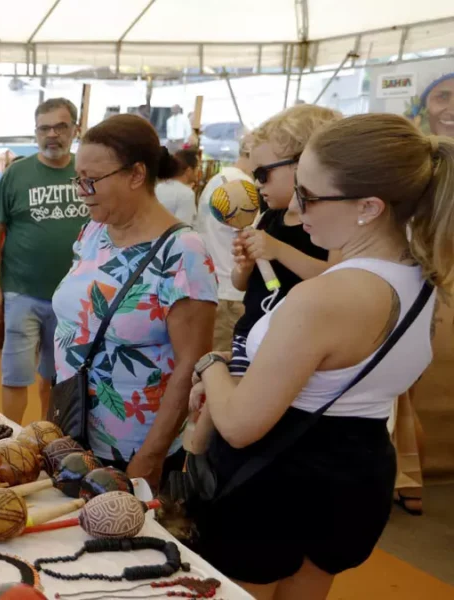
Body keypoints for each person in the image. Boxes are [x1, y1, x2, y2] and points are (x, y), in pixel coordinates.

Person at [190, 113, 451, 600]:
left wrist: (212, 367)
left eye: (308, 195)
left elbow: (241, 424)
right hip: (356, 471)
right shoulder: (421, 279)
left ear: (368, 207)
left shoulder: (326, 298)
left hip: (277, 484)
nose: (297, 206)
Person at [53, 114, 217, 486]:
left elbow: (191, 363)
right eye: (78, 179)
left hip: (132, 448)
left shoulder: (183, 253)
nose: (82, 190)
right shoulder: (94, 231)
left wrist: (151, 455)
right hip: (73, 427)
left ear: (136, 175)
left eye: (91, 180)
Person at [0, 98, 86, 424]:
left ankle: (46, 438)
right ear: (36, 132)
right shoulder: (16, 174)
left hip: (73, 298)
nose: (52, 134)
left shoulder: (87, 173)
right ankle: (11, 439)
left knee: (57, 376)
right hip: (21, 292)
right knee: (15, 374)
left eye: (60, 126)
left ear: (75, 129)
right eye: (44, 128)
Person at [228, 105, 340, 376]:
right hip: (250, 330)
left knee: (237, 411)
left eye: (263, 174)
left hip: (293, 342)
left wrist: (278, 250)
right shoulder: (267, 218)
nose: (257, 185)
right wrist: (243, 267)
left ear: (305, 164)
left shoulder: (332, 225)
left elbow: (336, 279)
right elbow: (243, 284)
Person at [194, 135, 256, 351]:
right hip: (230, 290)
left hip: (215, 283)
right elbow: (252, 236)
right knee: (225, 360)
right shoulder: (241, 187)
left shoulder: (219, 179)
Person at [155, 148, 198, 223]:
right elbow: (183, 228)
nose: (199, 171)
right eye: (198, 167)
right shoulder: (186, 194)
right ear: (189, 171)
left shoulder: (158, 187)